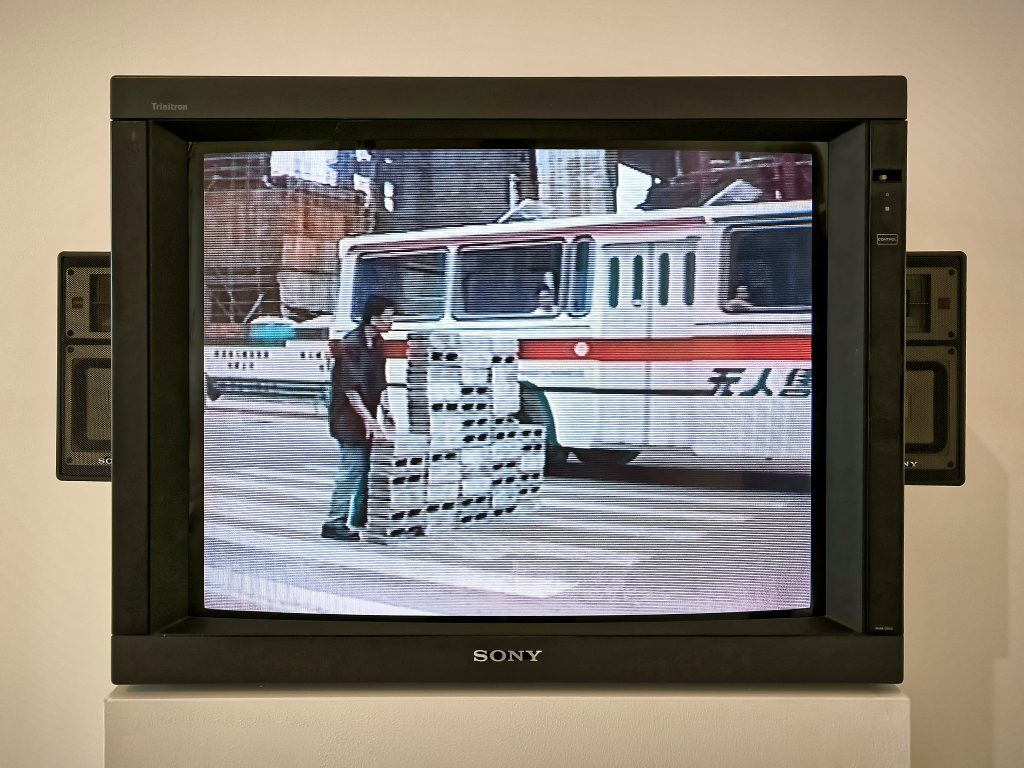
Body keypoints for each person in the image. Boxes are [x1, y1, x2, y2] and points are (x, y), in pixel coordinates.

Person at [321, 295, 397, 542]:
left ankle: (358, 517)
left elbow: (380, 384)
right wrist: (370, 421)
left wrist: (386, 411)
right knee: (352, 468)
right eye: (388, 316)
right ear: (373, 318)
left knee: (365, 469)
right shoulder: (351, 343)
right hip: (348, 417)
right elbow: (350, 389)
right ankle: (333, 522)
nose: (391, 322)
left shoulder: (377, 343)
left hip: (366, 414)